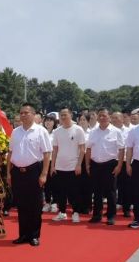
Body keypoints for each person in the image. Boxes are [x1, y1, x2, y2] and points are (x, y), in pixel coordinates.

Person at [7, 103, 52, 246]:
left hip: (34, 171)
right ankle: (23, 235)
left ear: (33, 114)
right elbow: (11, 153)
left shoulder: (40, 131)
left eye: (26, 113)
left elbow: (46, 154)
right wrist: (8, 173)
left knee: (35, 205)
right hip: (18, 172)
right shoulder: (15, 132)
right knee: (21, 205)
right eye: (21, 113)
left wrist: (44, 174)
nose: (23, 115)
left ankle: (34, 235)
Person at [85, 108, 125, 225]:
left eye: (104, 115)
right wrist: (87, 164)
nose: (102, 118)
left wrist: (119, 165)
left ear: (109, 117)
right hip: (95, 164)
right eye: (100, 116)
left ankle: (111, 216)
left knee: (111, 191)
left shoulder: (116, 131)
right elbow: (88, 149)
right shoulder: (93, 131)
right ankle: (97, 215)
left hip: (110, 164)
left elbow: (122, 149)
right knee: (96, 192)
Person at [51, 107, 86, 223]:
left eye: (65, 114)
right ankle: (62, 212)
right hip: (60, 166)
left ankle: (76, 212)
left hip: (73, 166)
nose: (63, 117)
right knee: (61, 191)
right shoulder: (57, 131)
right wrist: (53, 166)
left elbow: (82, 149)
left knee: (74, 191)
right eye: (61, 115)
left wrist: (79, 165)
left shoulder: (78, 129)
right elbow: (55, 150)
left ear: (71, 115)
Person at [113, 111, 133, 217]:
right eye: (113, 118)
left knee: (127, 186)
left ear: (122, 119)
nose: (114, 120)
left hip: (125, 161)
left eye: (117, 118)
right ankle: (112, 209)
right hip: (113, 161)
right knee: (112, 186)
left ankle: (126, 209)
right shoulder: (110, 131)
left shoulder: (130, 131)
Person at [42, 115, 58, 213]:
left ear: (54, 122)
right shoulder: (41, 132)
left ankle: (55, 203)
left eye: (50, 121)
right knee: (46, 183)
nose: (48, 123)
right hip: (43, 161)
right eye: (46, 121)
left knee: (55, 183)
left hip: (54, 161)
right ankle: (47, 202)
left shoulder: (57, 133)